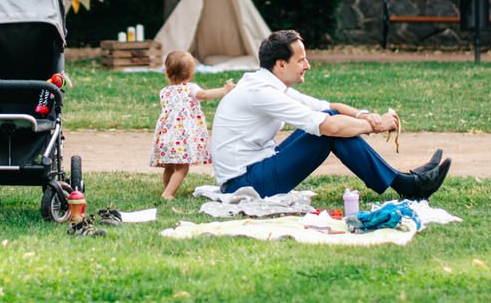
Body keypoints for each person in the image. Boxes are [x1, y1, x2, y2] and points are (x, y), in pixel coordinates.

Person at [210, 29, 452, 200]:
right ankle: (407, 185)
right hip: (244, 183)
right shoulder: (261, 92)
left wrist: (366, 115)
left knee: (329, 115)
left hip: (256, 169)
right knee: (327, 131)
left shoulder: (267, 84)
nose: (308, 65)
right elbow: (330, 128)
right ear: (280, 64)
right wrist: (375, 127)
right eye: (301, 60)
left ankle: (406, 182)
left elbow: (329, 106)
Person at [151, 50, 236, 200]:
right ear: (190, 74)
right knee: (182, 167)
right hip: (182, 137)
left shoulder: (164, 91)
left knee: (170, 166)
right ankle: (168, 193)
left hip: (167, 136)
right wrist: (225, 90)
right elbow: (204, 95)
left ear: (167, 73)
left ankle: (168, 188)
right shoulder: (190, 88)